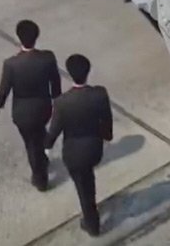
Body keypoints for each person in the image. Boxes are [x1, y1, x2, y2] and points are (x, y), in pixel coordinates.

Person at [47, 54, 114, 237]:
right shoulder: (100, 94)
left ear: (69, 73)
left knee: (83, 189)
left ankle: (92, 224)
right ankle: (91, 204)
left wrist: (46, 146)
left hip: (74, 154)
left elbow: (54, 130)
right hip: (94, 149)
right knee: (88, 179)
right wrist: (107, 136)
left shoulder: (62, 102)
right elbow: (107, 119)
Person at [0, 19, 61, 191]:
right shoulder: (48, 58)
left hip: (22, 113)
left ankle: (40, 179)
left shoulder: (11, 64)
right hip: (43, 109)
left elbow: (4, 89)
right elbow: (55, 83)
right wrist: (57, 100)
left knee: (31, 145)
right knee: (39, 134)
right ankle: (43, 157)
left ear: (19, 37)